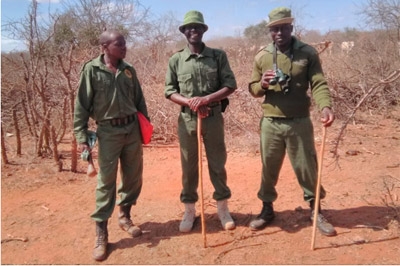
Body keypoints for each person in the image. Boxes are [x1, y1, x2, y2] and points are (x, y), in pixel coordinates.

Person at [248, 7, 337, 236]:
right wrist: (264, 84)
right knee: (269, 167)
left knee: (307, 167)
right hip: (271, 121)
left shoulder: (307, 53)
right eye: (275, 29)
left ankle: (316, 209)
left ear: (291, 28)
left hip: (299, 121)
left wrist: (325, 106)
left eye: (284, 28)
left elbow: (318, 83)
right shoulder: (262, 56)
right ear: (270, 31)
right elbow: (254, 89)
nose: (279, 33)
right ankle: (267, 209)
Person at [73, 29, 150, 261]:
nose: (124, 47)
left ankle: (125, 216)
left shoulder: (128, 71)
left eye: (125, 43)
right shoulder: (91, 70)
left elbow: (139, 101)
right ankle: (101, 233)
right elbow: (82, 106)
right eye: (119, 44)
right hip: (107, 132)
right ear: (105, 47)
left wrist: (145, 128)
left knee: (133, 177)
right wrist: (81, 137)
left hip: (131, 130)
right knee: (106, 183)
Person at [164, 10, 237, 233]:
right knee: (189, 167)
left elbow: (230, 85)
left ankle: (222, 208)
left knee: (217, 163)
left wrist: (206, 99)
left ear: (204, 30)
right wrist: (190, 103)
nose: (193, 30)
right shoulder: (176, 59)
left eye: (197, 27)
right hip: (187, 121)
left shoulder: (217, 56)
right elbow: (169, 90)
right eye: (189, 28)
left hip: (213, 118)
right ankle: (189, 210)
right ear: (184, 32)